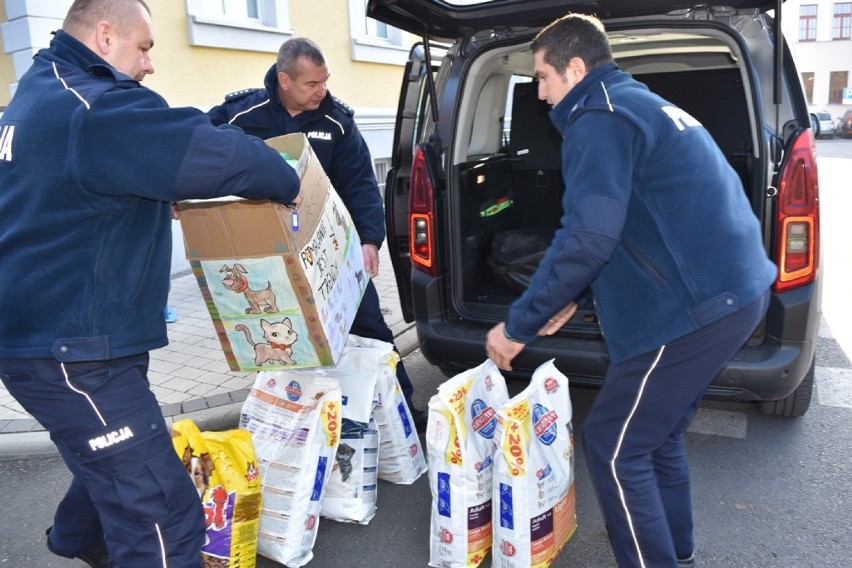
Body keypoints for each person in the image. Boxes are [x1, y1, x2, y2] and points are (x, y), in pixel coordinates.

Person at [0, 1, 301, 566]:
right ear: (105, 35)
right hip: (73, 352)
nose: (149, 64)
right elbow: (227, 155)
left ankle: (79, 541)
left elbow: (68, 193)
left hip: (53, 338)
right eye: (144, 48)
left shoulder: (41, 89)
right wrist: (290, 179)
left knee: (112, 457)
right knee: (162, 510)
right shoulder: (97, 106)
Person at [484, 13, 776, 568]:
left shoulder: (600, 116)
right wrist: (572, 296)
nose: (540, 95)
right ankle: (677, 551)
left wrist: (520, 323)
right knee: (654, 435)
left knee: (616, 448)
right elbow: (636, 223)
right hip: (732, 291)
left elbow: (587, 236)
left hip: (694, 306)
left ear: (576, 67)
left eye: (543, 78)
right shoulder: (636, 103)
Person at [208, 37, 427, 432]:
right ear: (284, 80)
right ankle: (305, 428)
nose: (322, 91)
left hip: (332, 253)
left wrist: (369, 241)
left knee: (372, 331)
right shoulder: (242, 115)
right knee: (288, 342)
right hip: (269, 257)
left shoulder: (337, 123)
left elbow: (360, 184)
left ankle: (407, 415)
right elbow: (198, 154)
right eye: (312, 84)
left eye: (325, 81)